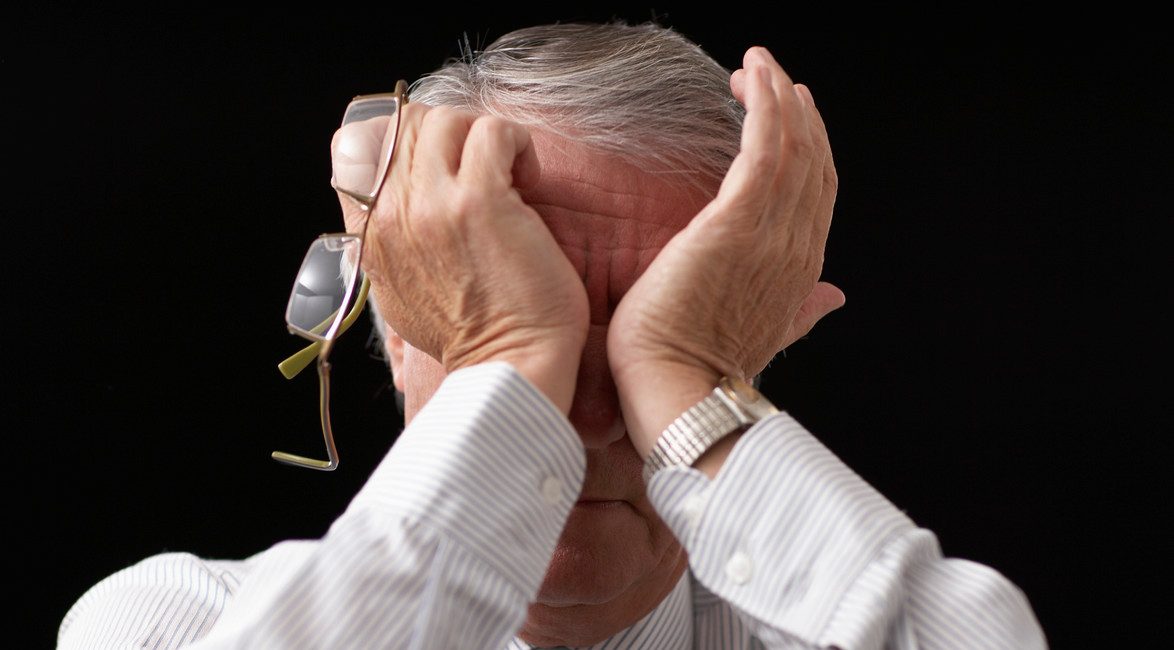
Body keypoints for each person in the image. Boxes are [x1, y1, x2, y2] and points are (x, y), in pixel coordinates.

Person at [57, 21, 1047, 649]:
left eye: (660, 334)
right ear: (396, 328)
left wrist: (684, 396)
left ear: (754, 343)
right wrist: (519, 358)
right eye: (514, 320)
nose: (577, 417)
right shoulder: (168, 623)